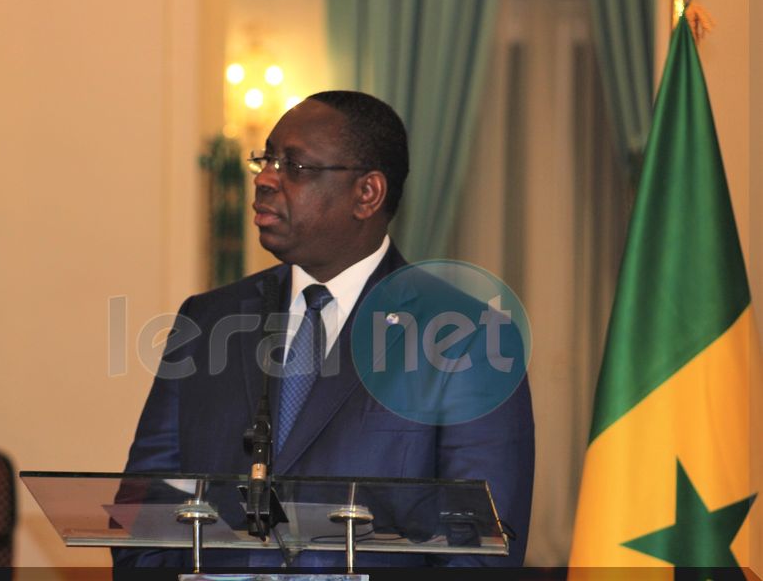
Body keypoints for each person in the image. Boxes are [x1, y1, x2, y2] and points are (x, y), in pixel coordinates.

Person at [114, 90, 535, 569]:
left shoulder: (469, 337)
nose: (266, 179)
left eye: (294, 166)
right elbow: (142, 521)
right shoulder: (207, 321)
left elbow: (480, 551)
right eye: (267, 158)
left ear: (367, 194)